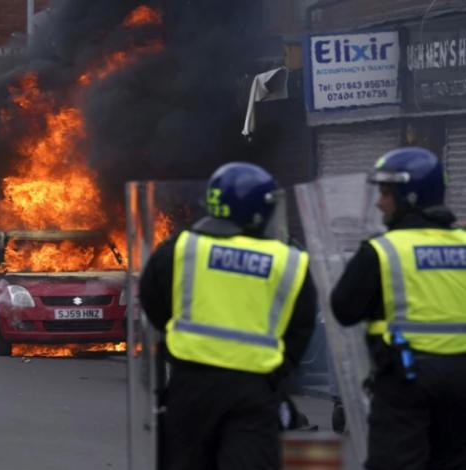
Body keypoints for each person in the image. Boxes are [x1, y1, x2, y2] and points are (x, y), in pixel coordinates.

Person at [140, 162, 316, 470]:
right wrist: (277, 374)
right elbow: (300, 328)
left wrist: (174, 340)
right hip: (254, 392)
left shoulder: (181, 249)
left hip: (190, 387)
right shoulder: (287, 262)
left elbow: (152, 300)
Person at [331, 147, 466, 470]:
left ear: (411, 196)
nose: (379, 202)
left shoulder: (382, 251)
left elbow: (344, 309)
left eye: (387, 193)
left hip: (406, 383)